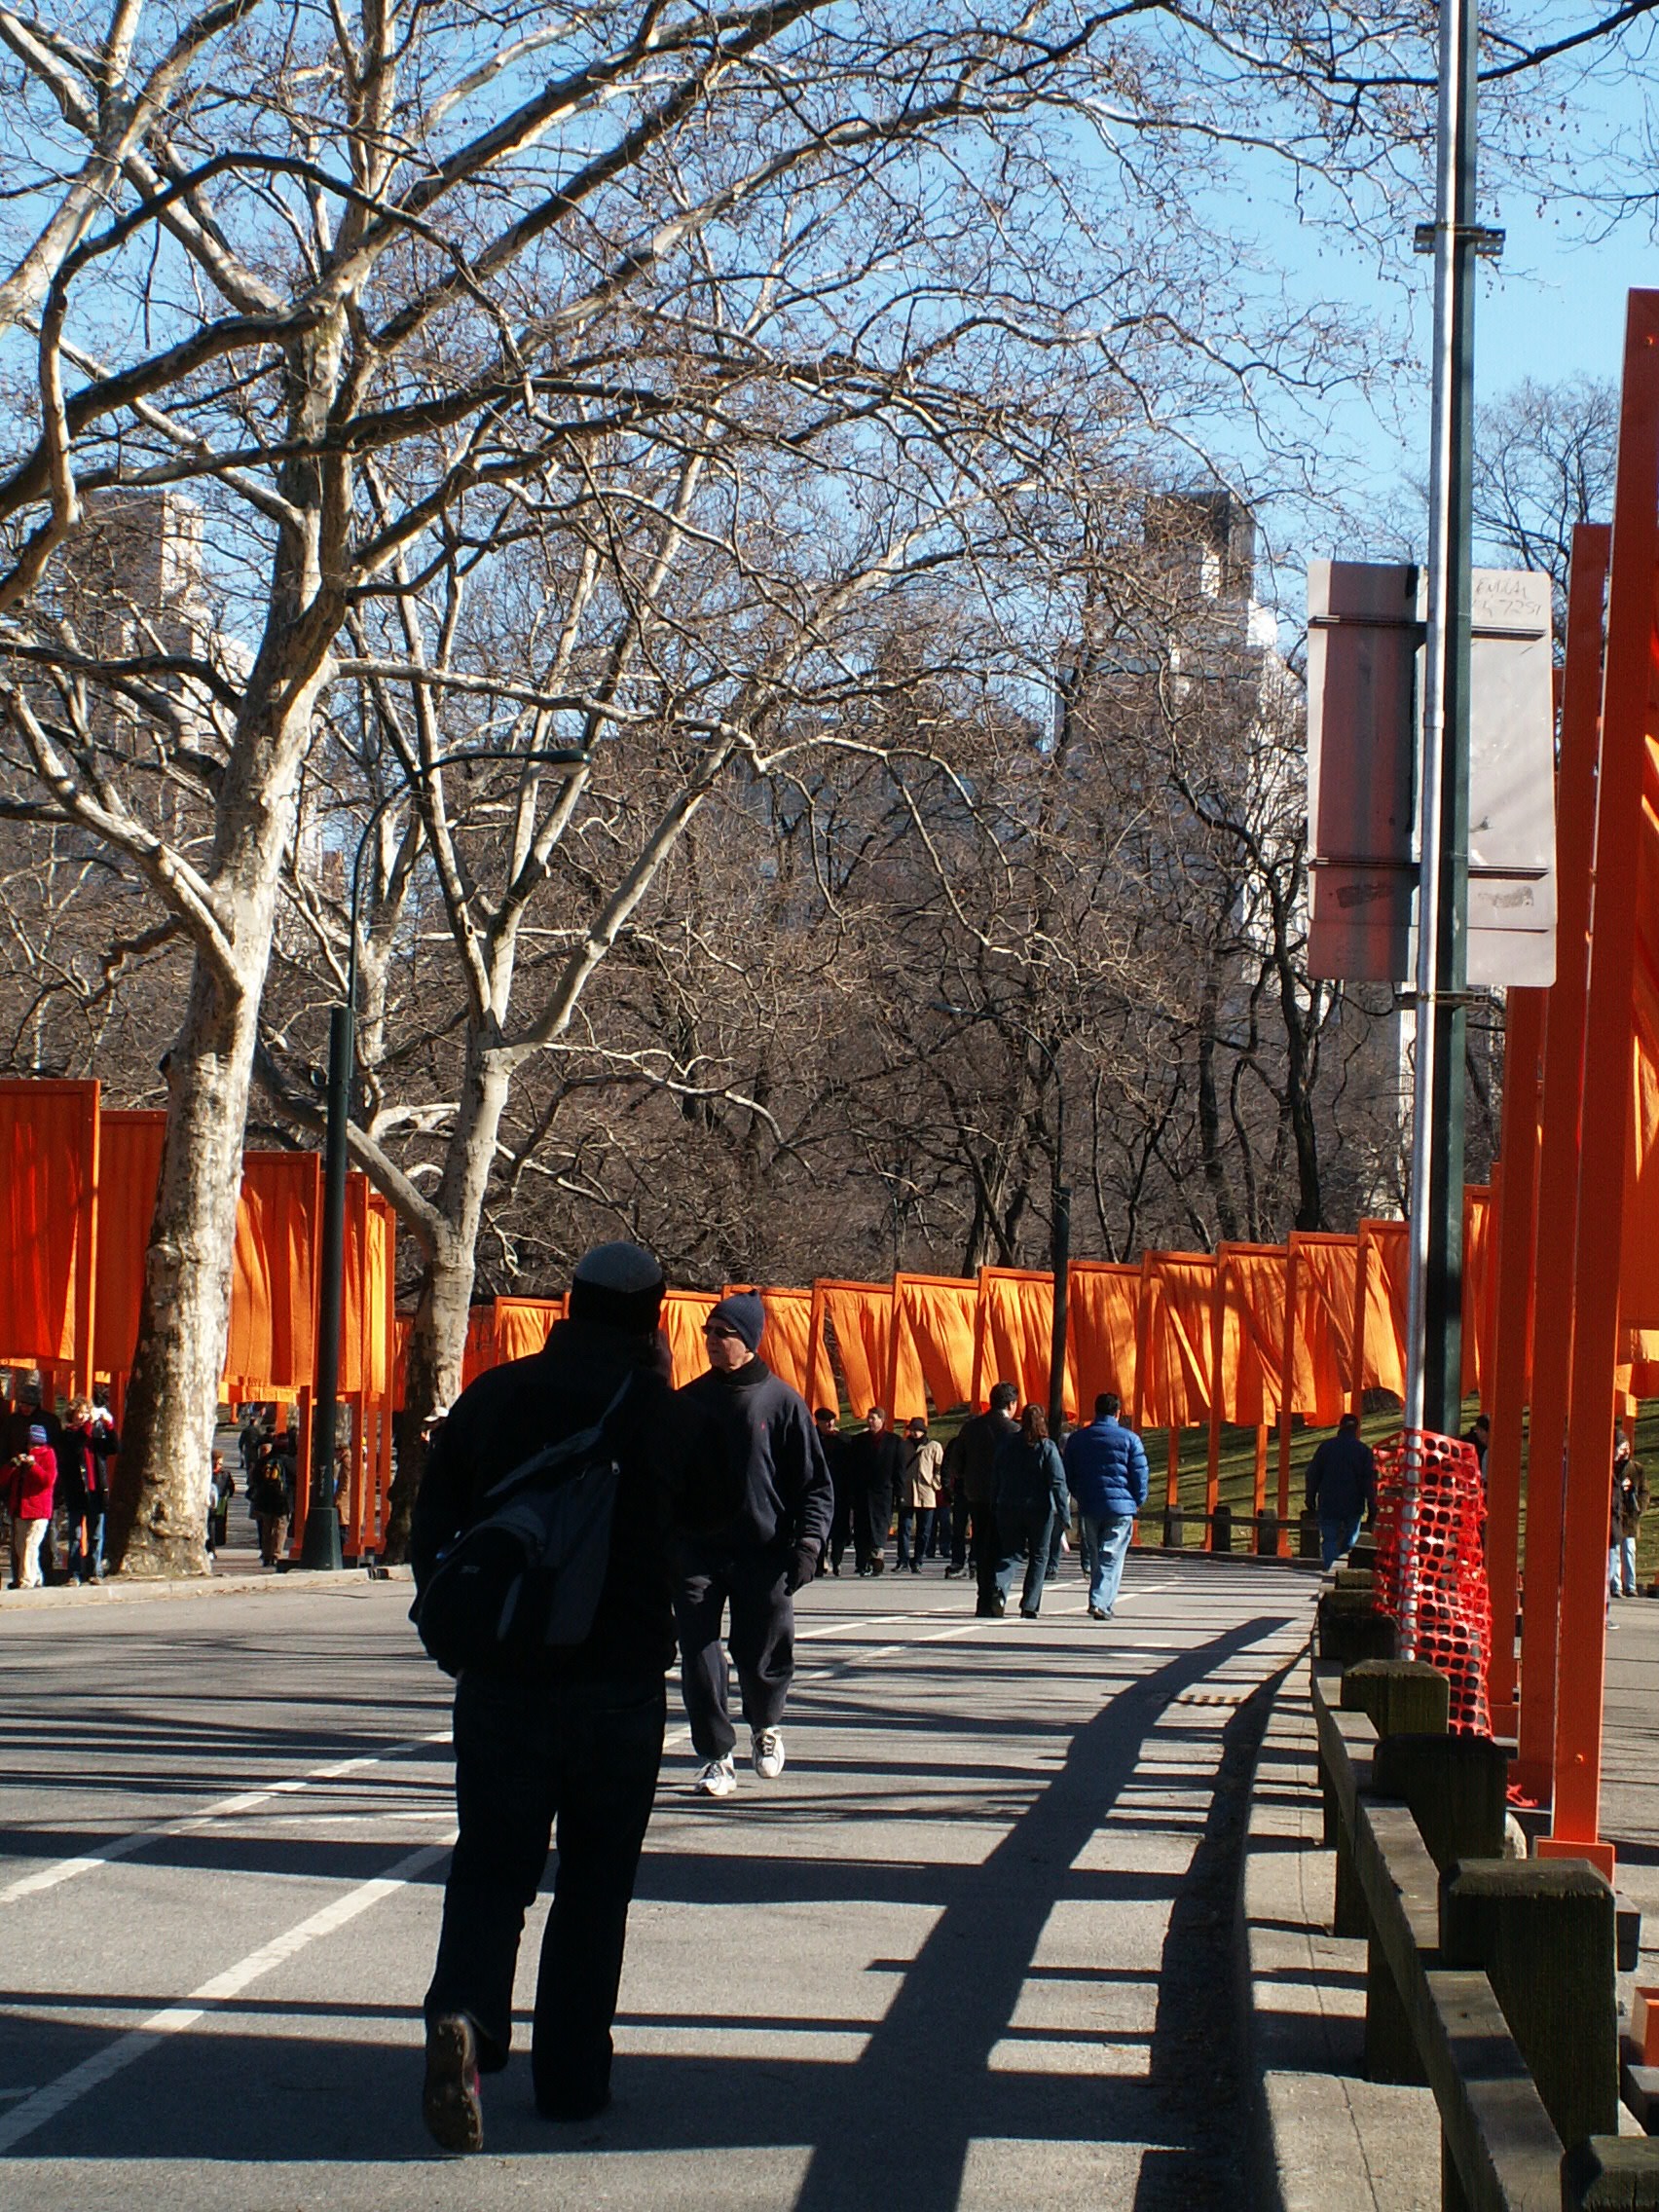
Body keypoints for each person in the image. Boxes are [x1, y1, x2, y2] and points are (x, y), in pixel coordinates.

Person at [412, 1240, 731, 2152]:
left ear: (570, 1303)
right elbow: (714, 1522)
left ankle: (465, 2015)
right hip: (617, 1684)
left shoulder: (496, 1395)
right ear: (654, 1317)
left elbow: (433, 1524)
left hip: (503, 1679)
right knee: (596, 1884)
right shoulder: (666, 1419)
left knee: (491, 1865)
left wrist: (467, 1634)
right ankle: (572, 2077)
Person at [675, 1291, 833, 1797]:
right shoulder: (688, 1401)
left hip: (763, 1552)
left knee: (763, 1649)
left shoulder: (781, 1402)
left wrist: (808, 1545)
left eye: (723, 1333)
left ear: (748, 1341)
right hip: (698, 1553)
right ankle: (716, 1756)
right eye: (708, 1332)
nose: (711, 1341)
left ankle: (765, 1724)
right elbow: (665, 1480)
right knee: (699, 1654)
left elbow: (814, 1485)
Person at [1063, 1391, 1150, 1620]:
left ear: (1096, 1411)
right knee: (1111, 1555)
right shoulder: (1130, 1440)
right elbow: (1140, 1473)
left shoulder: (1078, 1439)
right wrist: (1138, 1499)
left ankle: (1101, 1600)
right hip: (1121, 1506)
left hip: (1090, 1503)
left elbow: (1069, 1472)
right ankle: (1100, 1602)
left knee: (1095, 1554)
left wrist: (1079, 1494)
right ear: (1118, 1413)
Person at [943, 1382, 1019, 1614]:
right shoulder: (1014, 1431)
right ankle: (997, 1591)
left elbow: (956, 1463)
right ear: (1011, 1404)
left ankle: (983, 1597)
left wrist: (966, 1477)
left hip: (976, 1495)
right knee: (1003, 1547)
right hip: (1005, 1497)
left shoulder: (971, 1428)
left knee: (982, 1545)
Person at [993, 1403, 1068, 1619]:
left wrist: (995, 1500)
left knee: (1011, 1553)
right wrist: (1064, 1513)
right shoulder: (1046, 1447)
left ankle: (999, 1588)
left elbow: (996, 1474)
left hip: (1008, 1505)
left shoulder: (1007, 1443)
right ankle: (1030, 1604)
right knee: (1039, 1556)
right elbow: (1058, 1482)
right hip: (1039, 1508)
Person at [57, 1396, 120, 1582]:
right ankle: (74, 1573)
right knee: (76, 1535)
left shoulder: (96, 1432)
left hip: (96, 1490)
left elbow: (113, 1448)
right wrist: (88, 1425)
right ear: (72, 1415)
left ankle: (94, 1571)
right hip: (76, 1491)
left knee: (96, 1535)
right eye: (79, 1413)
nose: (83, 1416)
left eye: (86, 1413)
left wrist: (109, 1426)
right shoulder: (68, 1435)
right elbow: (76, 1447)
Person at [838, 1404, 905, 1576]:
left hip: (883, 1493)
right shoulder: (859, 1441)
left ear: (882, 1421)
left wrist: (900, 1493)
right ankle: (862, 1562)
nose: (870, 1421)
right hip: (862, 1492)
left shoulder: (894, 1442)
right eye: (868, 1418)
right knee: (861, 1528)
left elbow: (899, 1470)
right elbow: (851, 1468)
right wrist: (851, 1492)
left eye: (873, 1418)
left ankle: (877, 1556)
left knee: (880, 1526)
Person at [1306, 1412, 1377, 1570]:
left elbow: (1313, 1474)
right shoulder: (1363, 1451)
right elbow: (1368, 1481)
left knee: (1329, 1538)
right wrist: (1372, 1506)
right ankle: (1339, 1565)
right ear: (1357, 1429)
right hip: (1354, 1503)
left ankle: (1330, 1568)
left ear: (1340, 1427)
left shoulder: (1326, 1448)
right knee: (1351, 1539)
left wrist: (1310, 1497)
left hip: (1328, 1501)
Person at [6, 1421, 56, 1588]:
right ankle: (37, 1576)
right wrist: (13, 1464)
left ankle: (26, 1580)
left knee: (30, 1544)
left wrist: (34, 1465)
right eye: (31, 1443)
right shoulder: (19, 1456)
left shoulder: (48, 1454)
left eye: (37, 1444)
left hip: (39, 1510)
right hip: (20, 1509)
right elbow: (4, 1478)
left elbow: (48, 1481)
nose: (33, 1447)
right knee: (21, 1547)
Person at [895, 1417, 944, 1572]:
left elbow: (940, 1467)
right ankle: (902, 1560)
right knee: (904, 1528)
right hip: (907, 1492)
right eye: (912, 1430)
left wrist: (935, 1483)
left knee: (924, 1531)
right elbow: (898, 1466)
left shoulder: (934, 1446)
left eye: (917, 1430)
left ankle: (918, 1560)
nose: (915, 1433)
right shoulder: (903, 1446)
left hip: (926, 1493)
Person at [1610, 1431, 1648, 1600]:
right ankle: (1616, 1585)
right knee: (1615, 1550)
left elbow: (1644, 1491)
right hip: (1616, 1514)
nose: (1625, 1451)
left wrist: (1639, 1507)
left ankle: (1630, 1585)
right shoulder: (1612, 1467)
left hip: (1630, 1516)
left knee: (1629, 1550)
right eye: (1622, 1447)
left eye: (1626, 1447)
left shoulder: (1637, 1469)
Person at [818, 1405, 853, 1574]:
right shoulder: (812, 1437)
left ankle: (837, 1560)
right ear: (819, 1422)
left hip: (841, 1490)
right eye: (826, 1422)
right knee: (820, 1527)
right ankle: (820, 1561)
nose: (830, 1425)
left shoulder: (843, 1439)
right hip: (819, 1490)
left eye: (832, 1421)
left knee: (840, 1528)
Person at [248, 1434, 293, 1566]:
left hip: (264, 1499)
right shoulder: (288, 1461)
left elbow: (254, 1478)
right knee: (280, 1527)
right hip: (283, 1500)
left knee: (266, 1527)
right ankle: (276, 1554)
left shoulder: (263, 1461)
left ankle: (266, 1555)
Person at [206, 1451, 235, 1557]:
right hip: (207, 1503)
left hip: (220, 1503)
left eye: (220, 1464)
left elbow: (231, 1488)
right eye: (215, 1463)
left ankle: (213, 1547)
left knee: (217, 1526)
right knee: (209, 1526)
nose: (217, 1466)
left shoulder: (225, 1474)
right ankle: (210, 1548)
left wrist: (226, 1496)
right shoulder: (206, 1474)